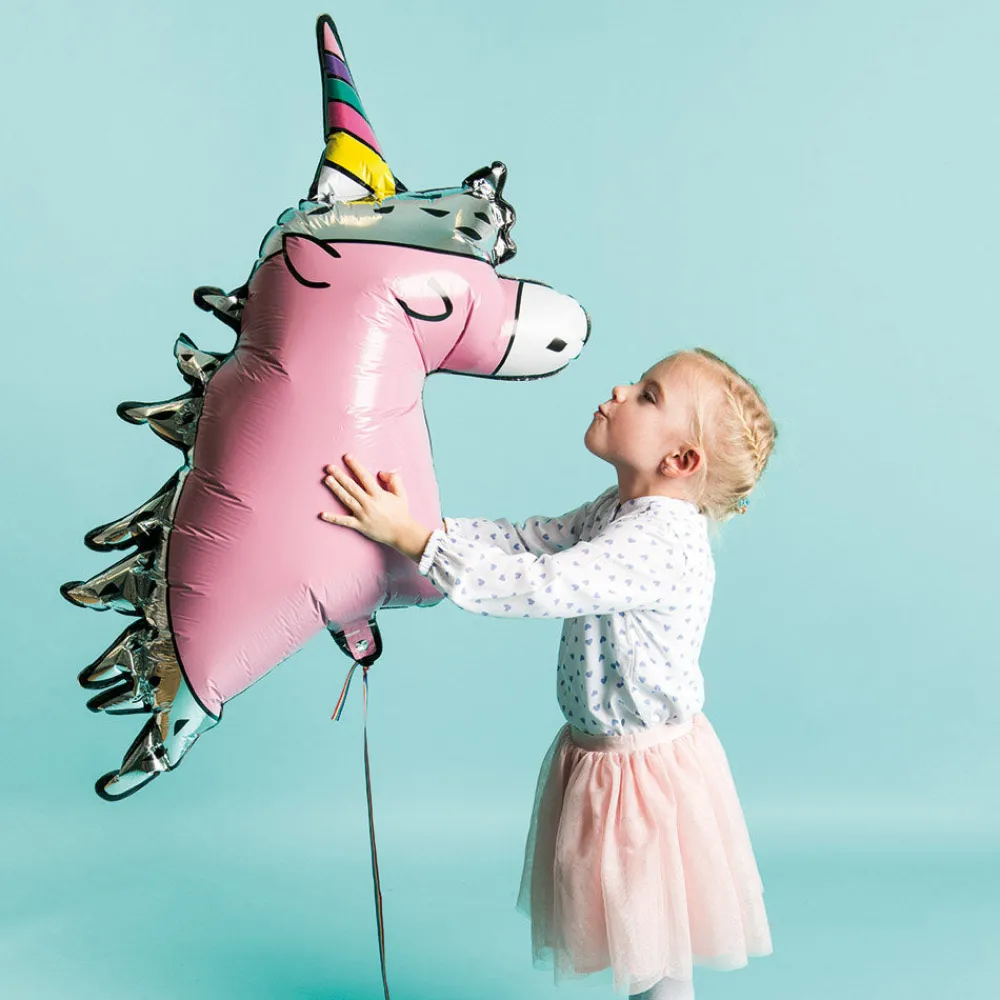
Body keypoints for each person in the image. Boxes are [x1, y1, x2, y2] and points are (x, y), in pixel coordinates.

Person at [319, 347, 778, 999]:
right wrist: (424, 528)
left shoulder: (659, 540)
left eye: (648, 395)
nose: (620, 389)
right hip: (604, 758)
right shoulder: (619, 508)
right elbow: (528, 541)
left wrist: (418, 543)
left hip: (643, 772)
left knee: (653, 949)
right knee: (641, 939)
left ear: (680, 461)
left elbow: (540, 584)